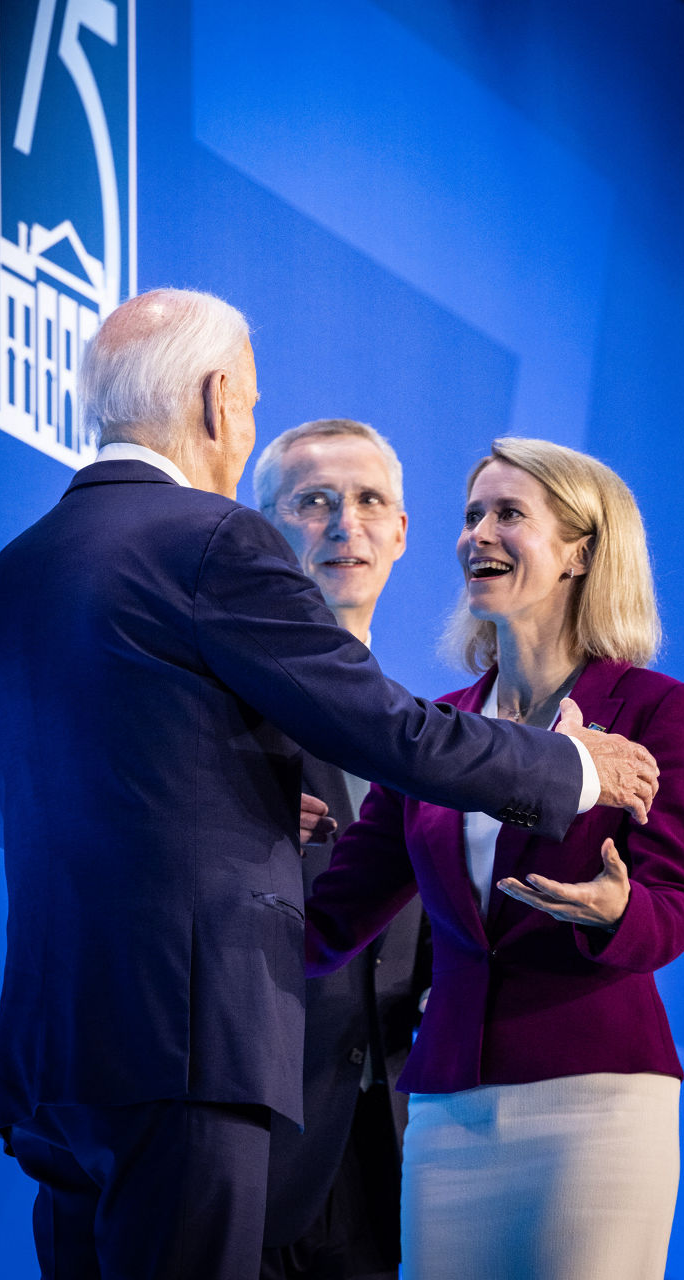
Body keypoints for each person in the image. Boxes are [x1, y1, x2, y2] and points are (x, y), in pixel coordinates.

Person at [0, 294, 659, 1280]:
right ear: (214, 402)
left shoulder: (13, 569)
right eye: (247, 405)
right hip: (191, 1045)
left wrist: (223, 798)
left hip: (55, 1058)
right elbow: (384, 729)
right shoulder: (211, 538)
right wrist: (571, 763)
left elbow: (8, 799)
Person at [305, 437, 684, 1280]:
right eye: (472, 515)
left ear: (580, 552)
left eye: (509, 515)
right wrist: (245, 842)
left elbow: (676, 902)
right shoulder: (438, 728)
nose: (478, 534)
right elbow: (331, 918)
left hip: (597, 1099)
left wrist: (617, 912)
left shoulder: (654, 708)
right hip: (448, 1111)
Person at [254, 419, 427, 1280]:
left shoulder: (430, 736)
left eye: (368, 501)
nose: (343, 525)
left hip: (388, 1150)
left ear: (401, 531)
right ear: (262, 530)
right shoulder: (215, 712)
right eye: (313, 501)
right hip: (252, 1141)